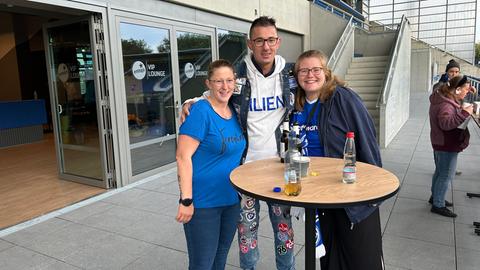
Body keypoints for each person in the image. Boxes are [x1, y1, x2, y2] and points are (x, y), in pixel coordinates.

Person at [181, 16, 297, 270]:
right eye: (259, 41)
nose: (265, 46)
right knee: (246, 234)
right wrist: (189, 102)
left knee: (284, 232)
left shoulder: (292, 75)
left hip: (279, 170)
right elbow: (216, 91)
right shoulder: (239, 76)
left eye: (270, 40)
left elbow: (318, 84)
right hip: (245, 172)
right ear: (249, 43)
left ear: (278, 42)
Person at [290, 50, 383, 270]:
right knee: (331, 256)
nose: (310, 75)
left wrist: (372, 191)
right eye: (303, 70)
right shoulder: (297, 105)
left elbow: (367, 139)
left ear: (326, 72)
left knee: (360, 258)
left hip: (351, 195)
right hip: (319, 195)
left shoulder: (342, 98)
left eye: (316, 69)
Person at [176, 59, 246, 270]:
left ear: (235, 82)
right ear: (208, 84)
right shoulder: (200, 112)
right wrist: (186, 200)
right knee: (202, 264)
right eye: (218, 81)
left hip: (231, 200)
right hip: (203, 203)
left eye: (229, 80)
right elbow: (182, 157)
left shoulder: (235, 111)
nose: (225, 87)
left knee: (220, 258)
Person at [429, 74, 473, 218]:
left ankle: (435, 197)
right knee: (446, 175)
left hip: (439, 141)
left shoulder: (443, 96)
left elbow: (457, 97)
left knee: (439, 171)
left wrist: (466, 91)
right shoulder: (446, 105)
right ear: (457, 89)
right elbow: (446, 123)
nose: (468, 91)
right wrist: (465, 113)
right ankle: (438, 204)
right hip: (446, 144)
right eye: (466, 89)